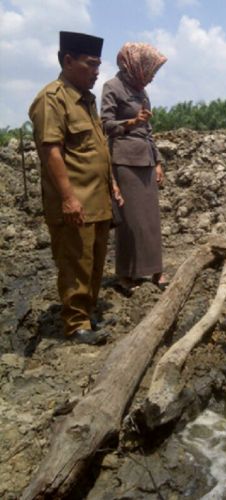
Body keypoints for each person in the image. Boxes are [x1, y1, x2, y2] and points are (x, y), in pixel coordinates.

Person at [29, 31, 123, 345]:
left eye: (98, 64)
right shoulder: (52, 99)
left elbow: (95, 148)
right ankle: (76, 323)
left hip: (96, 199)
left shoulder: (86, 100)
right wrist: (68, 197)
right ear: (68, 61)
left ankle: (89, 312)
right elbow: (51, 150)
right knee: (75, 262)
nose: (97, 71)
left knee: (94, 262)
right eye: (91, 64)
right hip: (75, 201)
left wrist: (112, 185)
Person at [100, 42, 168, 295]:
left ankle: (155, 268)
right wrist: (130, 121)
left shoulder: (141, 91)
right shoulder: (112, 87)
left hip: (146, 160)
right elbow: (105, 125)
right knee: (131, 221)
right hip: (124, 159)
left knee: (150, 220)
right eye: (150, 71)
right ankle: (126, 273)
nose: (151, 77)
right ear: (136, 66)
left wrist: (158, 161)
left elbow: (148, 130)